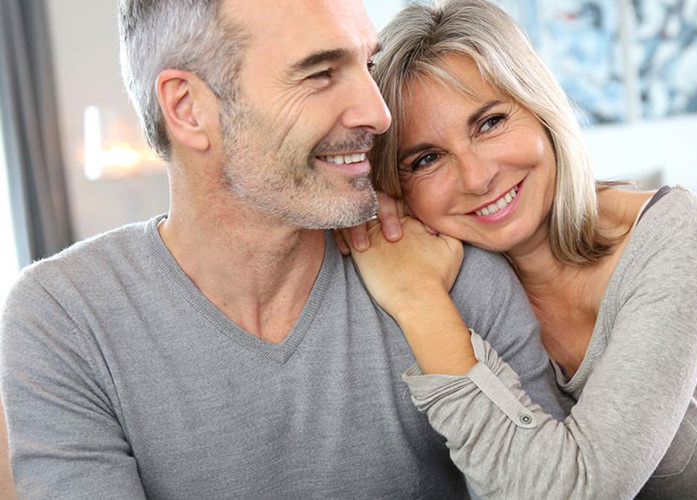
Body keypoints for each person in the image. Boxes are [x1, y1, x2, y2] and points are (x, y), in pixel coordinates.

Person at [0, 1, 568, 498]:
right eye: (320, 74)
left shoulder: (449, 272)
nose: (378, 114)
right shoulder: (65, 318)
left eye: (366, 66)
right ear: (188, 108)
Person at [342, 1, 697, 499]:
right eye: (426, 158)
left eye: (490, 123)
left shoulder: (680, 232)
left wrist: (418, 301)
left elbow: (584, 489)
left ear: (541, 109)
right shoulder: (457, 270)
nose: (476, 177)